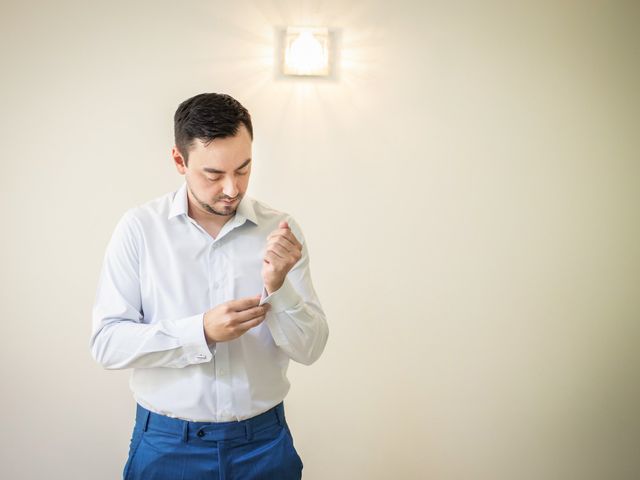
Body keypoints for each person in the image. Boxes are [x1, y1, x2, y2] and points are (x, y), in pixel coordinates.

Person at [89, 92, 329, 480]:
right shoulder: (139, 230)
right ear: (179, 161)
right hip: (168, 446)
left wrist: (278, 288)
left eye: (244, 169)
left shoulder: (280, 231)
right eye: (214, 175)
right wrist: (199, 332)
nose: (233, 188)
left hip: (264, 445)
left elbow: (311, 348)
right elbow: (107, 343)